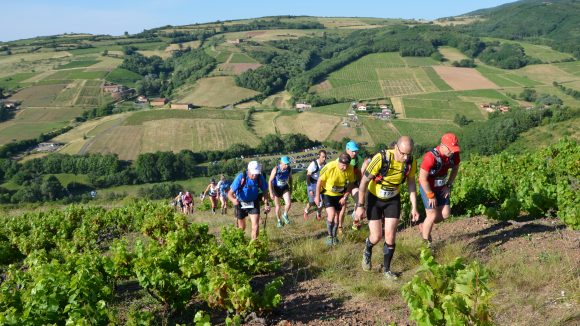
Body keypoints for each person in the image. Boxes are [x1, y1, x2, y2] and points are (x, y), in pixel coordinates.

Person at [355, 136, 420, 280]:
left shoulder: (410, 162)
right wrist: (360, 206)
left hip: (392, 199)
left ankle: (387, 270)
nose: (405, 157)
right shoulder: (381, 158)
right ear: (395, 147)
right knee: (377, 236)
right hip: (374, 198)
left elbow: (411, 184)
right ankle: (368, 248)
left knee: (390, 236)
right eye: (402, 153)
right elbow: (364, 182)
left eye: (408, 154)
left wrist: (414, 207)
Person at [418, 133, 461, 248]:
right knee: (431, 215)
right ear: (442, 146)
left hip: (442, 187)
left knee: (446, 214)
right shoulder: (430, 157)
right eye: (450, 149)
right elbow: (422, 178)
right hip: (427, 187)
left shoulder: (454, 155)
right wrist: (430, 195)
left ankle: (424, 226)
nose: (452, 152)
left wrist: (449, 185)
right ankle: (426, 243)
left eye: (454, 149)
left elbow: (456, 168)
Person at [315, 153, 355, 246]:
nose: (344, 168)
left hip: (340, 195)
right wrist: (317, 196)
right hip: (327, 193)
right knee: (332, 214)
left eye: (346, 165)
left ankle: (334, 236)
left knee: (337, 217)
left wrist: (345, 197)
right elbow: (319, 181)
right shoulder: (330, 167)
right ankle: (329, 236)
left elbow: (351, 183)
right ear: (338, 162)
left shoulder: (350, 169)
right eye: (343, 165)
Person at [228, 161, 270, 240]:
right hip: (240, 203)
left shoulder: (259, 178)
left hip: (253, 203)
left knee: (255, 226)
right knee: (242, 228)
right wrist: (233, 200)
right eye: (253, 173)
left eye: (256, 173)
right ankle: (240, 242)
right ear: (248, 170)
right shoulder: (241, 177)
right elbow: (229, 193)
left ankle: (253, 246)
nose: (254, 175)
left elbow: (265, 191)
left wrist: (266, 203)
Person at [338, 140, 364, 234]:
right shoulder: (341, 158)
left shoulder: (358, 159)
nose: (355, 153)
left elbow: (359, 172)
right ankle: (340, 226)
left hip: (353, 183)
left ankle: (355, 222)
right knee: (343, 207)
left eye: (356, 151)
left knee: (359, 200)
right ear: (347, 149)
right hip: (342, 184)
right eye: (353, 151)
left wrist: (361, 183)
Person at [269, 156, 293, 228]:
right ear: (281, 163)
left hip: (285, 187)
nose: (287, 165)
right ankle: (279, 221)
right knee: (278, 206)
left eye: (288, 164)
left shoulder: (289, 169)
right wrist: (270, 192)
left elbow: (291, 178)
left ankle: (285, 215)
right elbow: (269, 181)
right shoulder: (275, 169)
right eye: (285, 164)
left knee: (288, 203)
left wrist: (291, 188)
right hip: (276, 188)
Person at [304, 150, 327, 221]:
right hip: (312, 183)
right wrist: (310, 189)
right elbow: (308, 177)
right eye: (323, 157)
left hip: (320, 183)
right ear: (318, 156)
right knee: (311, 202)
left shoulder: (325, 164)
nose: (324, 158)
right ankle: (306, 211)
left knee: (321, 201)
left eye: (325, 157)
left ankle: (318, 214)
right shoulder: (313, 164)